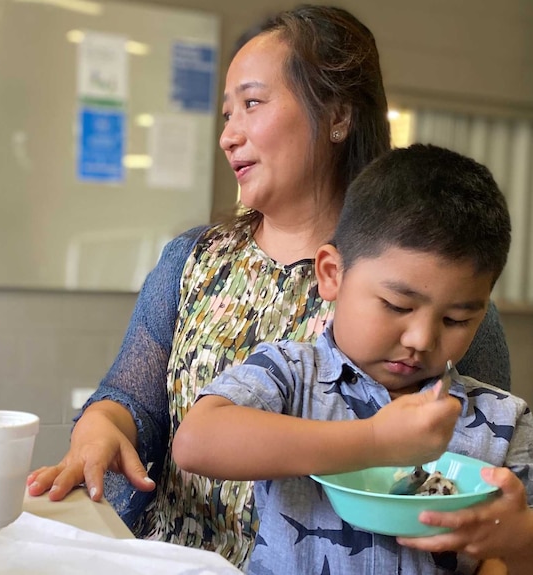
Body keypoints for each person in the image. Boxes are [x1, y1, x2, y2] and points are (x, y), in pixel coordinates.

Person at [27, 5, 512, 568]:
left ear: (337, 116)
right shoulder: (193, 259)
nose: (229, 136)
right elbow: (132, 399)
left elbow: (476, 474)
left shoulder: (429, 295)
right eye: (227, 114)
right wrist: (99, 426)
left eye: (252, 104)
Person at [172, 143, 531, 575]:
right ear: (331, 274)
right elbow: (197, 442)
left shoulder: (503, 422)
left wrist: (518, 538)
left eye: (456, 319)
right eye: (398, 306)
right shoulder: (291, 375)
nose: (421, 339)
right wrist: (377, 441)